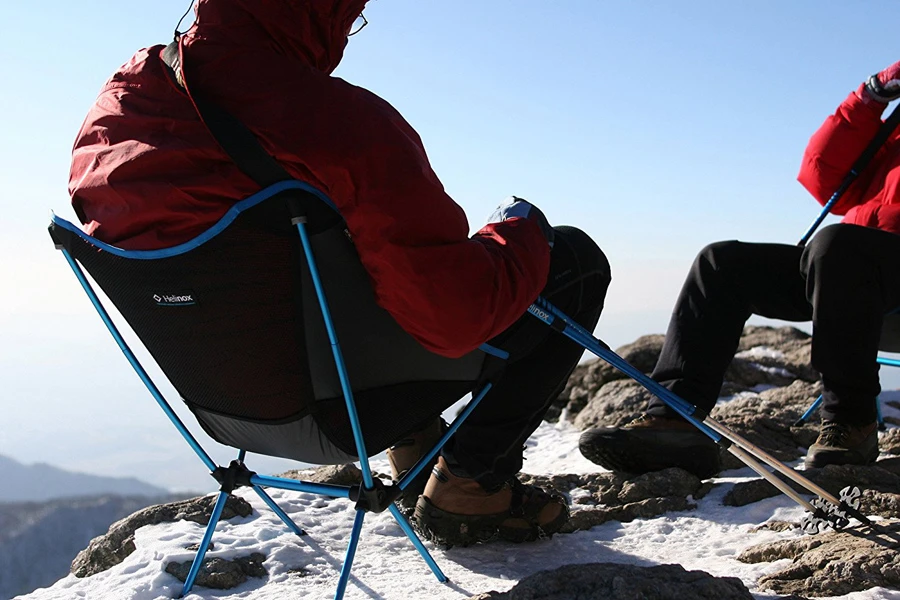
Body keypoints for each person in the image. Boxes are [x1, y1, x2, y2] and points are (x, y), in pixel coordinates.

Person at [68, 0, 611, 546]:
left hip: (228, 408)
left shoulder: (121, 108)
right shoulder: (336, 120)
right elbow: (453, 317)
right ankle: (472, 486)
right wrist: (521, 232)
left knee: (339, 259)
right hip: (348, 405)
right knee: (574, 262)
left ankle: (418, 452)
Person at [579, 60, 900, 478]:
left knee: (837, 246)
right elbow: (822, 176)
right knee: (721, 264)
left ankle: (852, 421)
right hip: (847, 270)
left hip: (859, 264)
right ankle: (676, 420)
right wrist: (870, 96)